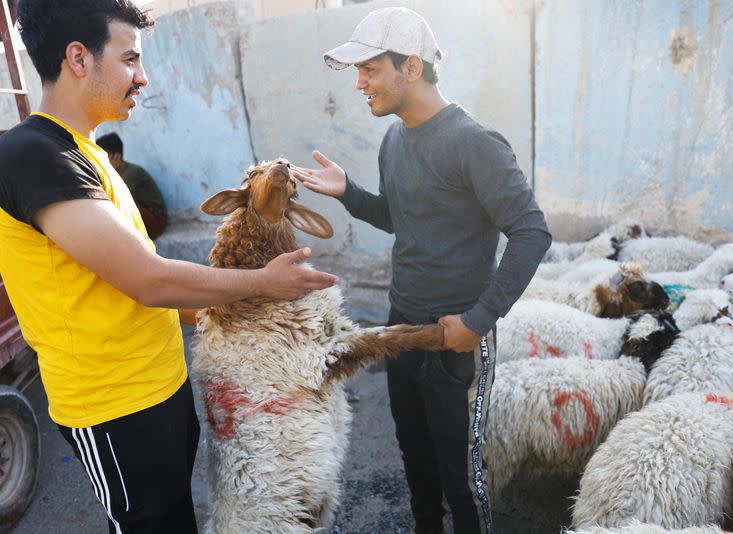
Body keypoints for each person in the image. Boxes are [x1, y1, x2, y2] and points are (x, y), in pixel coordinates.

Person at [0, 1, 336, 532]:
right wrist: (264, 284)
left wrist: (241, 327)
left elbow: (133, 283)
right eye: (131, 59)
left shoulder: (84, 155)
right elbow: (147, 278)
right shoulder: (30, 153)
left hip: (160, 392)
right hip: (113, 410)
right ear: (78, 58)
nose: (143, 77)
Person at [291, 7, 551, 534]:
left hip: (457, 336)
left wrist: (478, 320)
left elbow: (531, 233)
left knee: (461, 475)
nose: (359, 84)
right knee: (414, 458)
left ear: (411, 67)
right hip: (400, 328)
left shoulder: (474, 143)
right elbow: (402, 219)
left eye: (369, 70)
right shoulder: (394, 139)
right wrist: (350, 194)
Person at [96, 132, 168, 238]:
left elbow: (113, 199)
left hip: (156, 220)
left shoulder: (131, 173)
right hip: (143, 218)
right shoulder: (115, 174)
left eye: (103, 155)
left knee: (117, 207)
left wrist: (111, 172)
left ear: (116, 156)